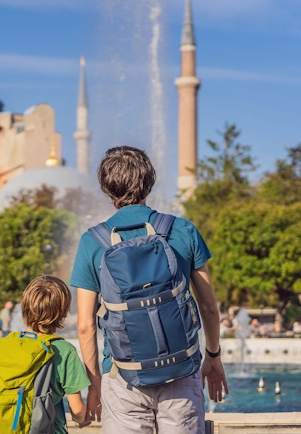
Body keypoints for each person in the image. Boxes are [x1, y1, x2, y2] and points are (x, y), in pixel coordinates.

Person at [71, 146, 228, 433]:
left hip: (122, 376)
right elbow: (208, 307)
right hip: (181, 370)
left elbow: (84, 326)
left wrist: (95, 386)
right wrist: (213, 357)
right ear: (149, 182)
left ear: (106, 188)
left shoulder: (92, 242)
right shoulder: (182, 229)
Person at [0, 275, 91, 432]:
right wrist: (83, 419)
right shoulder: (63, 350)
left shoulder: (6, 345)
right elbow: (77, 409)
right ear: (62, 311)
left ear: (25, 306)